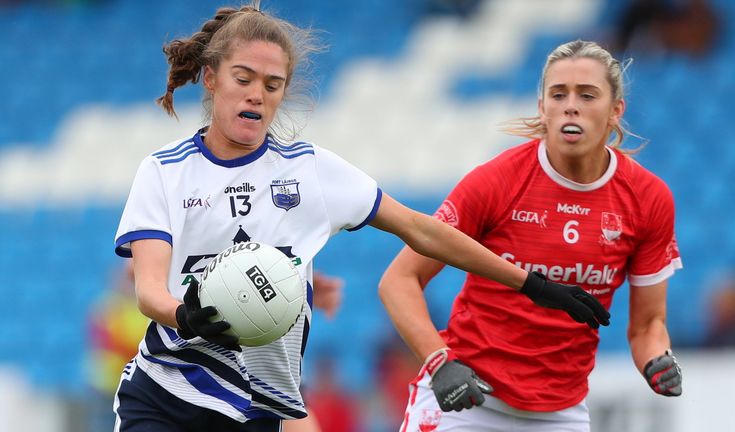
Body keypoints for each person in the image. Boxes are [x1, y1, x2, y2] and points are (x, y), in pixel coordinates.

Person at [112, 4, 609, 431]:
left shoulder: (310, 171)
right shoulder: (164, 171)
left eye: (273, 84)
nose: (257, 94)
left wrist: (531, 283)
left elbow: (421, 229)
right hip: (164, 396)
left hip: (259, 409)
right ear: (211, 77)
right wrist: (185, 316)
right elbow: (149, 290)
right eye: (243, 79)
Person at [379, 39, 684, 431]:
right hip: (469, 399)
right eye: (558, 94)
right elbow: (399, 280)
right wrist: (439, 362)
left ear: (615, 110)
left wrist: (657, 360)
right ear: (542, 107)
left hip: (561, 413)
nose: (570, 105)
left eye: (587, 95)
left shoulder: (649, 198)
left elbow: (647, 325)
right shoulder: (497, 181)